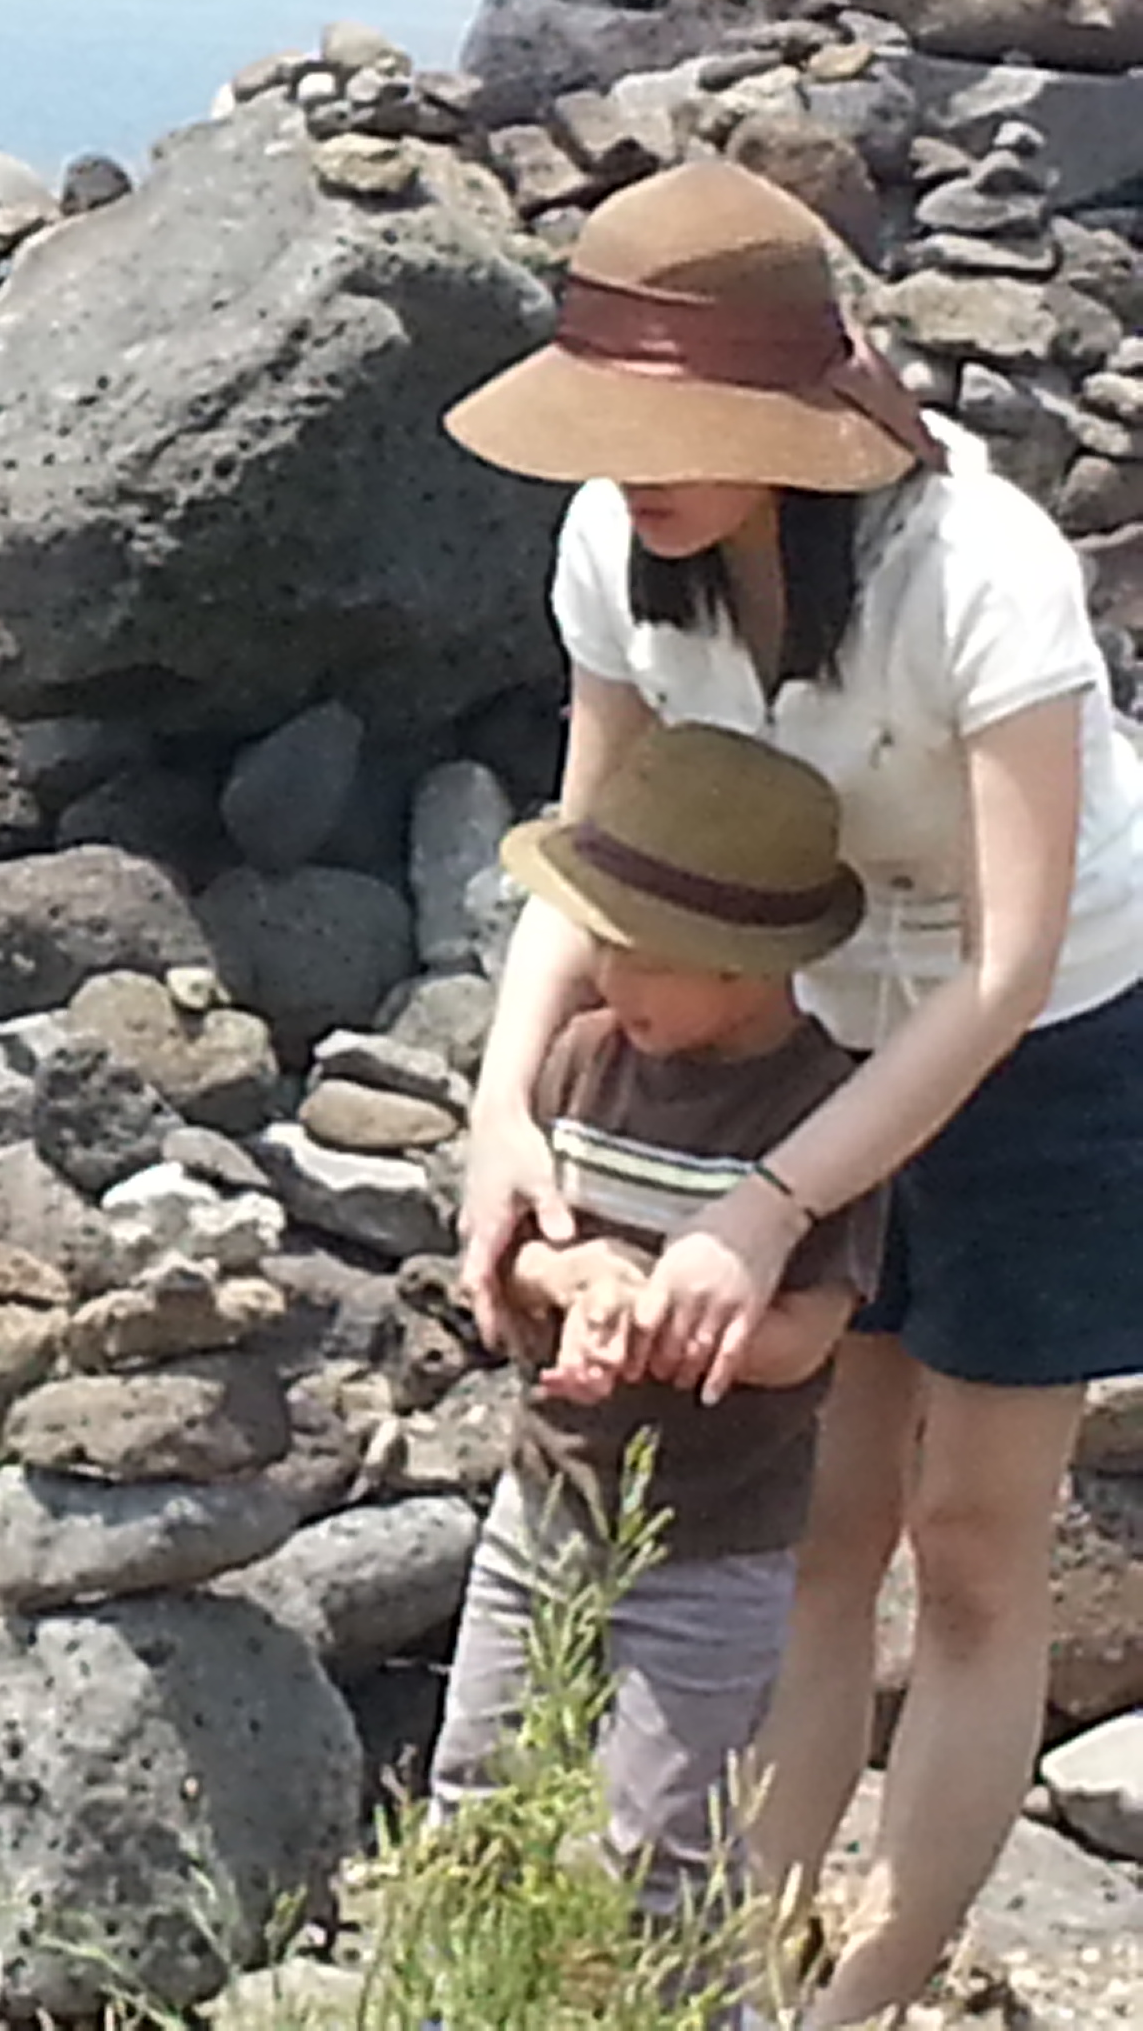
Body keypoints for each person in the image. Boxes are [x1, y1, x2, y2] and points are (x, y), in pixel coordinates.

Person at [443, 159, 1143, 2026]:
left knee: (972, 1541)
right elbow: (592, 862)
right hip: (811, 1018)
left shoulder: (974, 567)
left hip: (1057, 1034)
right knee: (820, 1525)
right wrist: (501, 1119)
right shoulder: (616, 552)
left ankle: (865, 1995)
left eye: (674, 428)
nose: (633, 470)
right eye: (605, 426)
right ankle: (742, 1982)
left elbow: (1003, 962)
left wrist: (765, 1208)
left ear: (788, 416)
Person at [427, 722, 886, 1949]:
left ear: (745, 969)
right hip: (543, 1499)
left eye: (643, 959)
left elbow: (809, 1336)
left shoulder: (823, 1111)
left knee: (663, 1842)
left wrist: (675, 1325)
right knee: (476, 1790)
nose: (607, 979)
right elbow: (512, 1259)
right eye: (603, 946)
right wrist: (575, 1277)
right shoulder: (583, 1061)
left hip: (718, 1543)